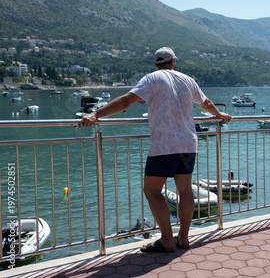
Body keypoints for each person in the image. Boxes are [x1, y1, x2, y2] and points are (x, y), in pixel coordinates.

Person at [78, 47, 232, 252]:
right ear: (173, 62)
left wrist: (95, 114)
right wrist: (220, 114)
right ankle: (183, 239)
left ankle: (167, 240)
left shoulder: (152, 78)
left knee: (152, 190)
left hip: (165, 144)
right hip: (188, 142)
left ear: (156, 64)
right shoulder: (188, 80)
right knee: (185, 189)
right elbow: (206, 103)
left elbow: (126, 101)